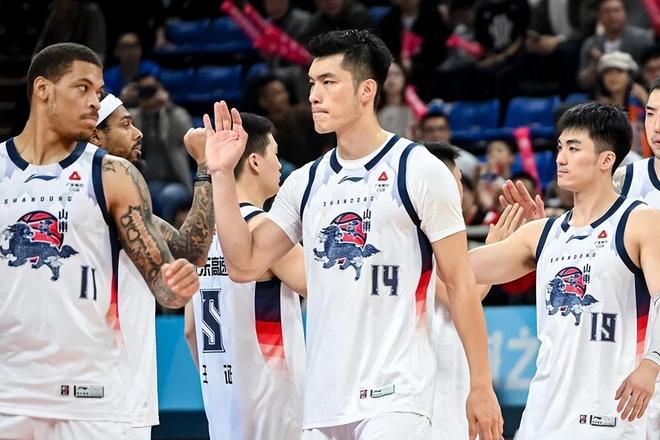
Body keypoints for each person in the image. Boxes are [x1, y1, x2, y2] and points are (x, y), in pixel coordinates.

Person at [204, 29, 503, 440]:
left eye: (328, 82)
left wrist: (481, 385)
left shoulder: (418, 169)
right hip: (323, 401)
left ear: (366, 90)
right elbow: (244, 265)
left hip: (395, 396)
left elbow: (460, 282)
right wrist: (220, 174)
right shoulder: (305, 181)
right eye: (312, 83)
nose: (314, 95)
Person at [0, 43, 199, 439]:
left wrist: (176, 286)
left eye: (99, 90)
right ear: (43, 89)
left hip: (92, 396)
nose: (95, 101)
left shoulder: (114, 174)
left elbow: (162, 283)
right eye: (83, 88)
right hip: (9, 392)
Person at [470, 102, 660, 439]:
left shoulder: (641, 221)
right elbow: (459, 270)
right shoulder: (542, 233)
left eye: (574, 148)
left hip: (610, 414)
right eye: (560, 147)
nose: (561, 158)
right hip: (542, 415)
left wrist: (652, 362)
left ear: (606, 160)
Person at [89, 93, 214, 439]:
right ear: (96, 135)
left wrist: (206, 167)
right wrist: (205, 164)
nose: (138, 133)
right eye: (126, 124)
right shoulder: (92, 197)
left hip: (111, 387)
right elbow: (191, 254)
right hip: (107, 390)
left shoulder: (124, 205)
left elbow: (189, 250)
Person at [183, 112, 306, 440]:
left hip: (220, 402)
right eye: (275, 154)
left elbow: (191, 331)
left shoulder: (198, 236)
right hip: (275, 404)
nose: (279, 165)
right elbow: (331, 289)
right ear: (254, 161)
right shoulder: (264, 231)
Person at [424, 141, 525, 440]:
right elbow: (454, 295)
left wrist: (497, 250)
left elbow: (468, 291)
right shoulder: (416, 236)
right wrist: (493, 249)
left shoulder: (443, 235)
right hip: (427, 373)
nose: (461, 189)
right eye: (457, 179)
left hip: (448, 360)